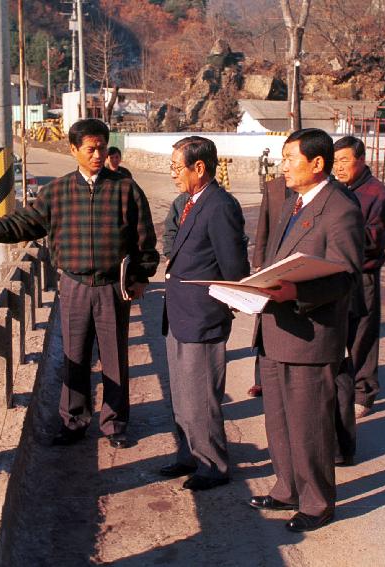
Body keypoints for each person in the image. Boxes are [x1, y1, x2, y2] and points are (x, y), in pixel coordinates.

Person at [0, 118, 159, 449]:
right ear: (74, 150)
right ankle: (74, 421)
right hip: (73, 285)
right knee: (74, 355)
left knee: (115, 357)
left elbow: (144, 237)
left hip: (112, 287)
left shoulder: (126, 189)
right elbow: (23, 224)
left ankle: (115, 424)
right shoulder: (57, 191)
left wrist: (142, 276)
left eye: (102, 147)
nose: (97, 154)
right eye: (90, 148)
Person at [248, 128, 363, 532]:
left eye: (290, 159)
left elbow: (346, 278)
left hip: (311, 334)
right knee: (278, 420)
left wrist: (295, 290)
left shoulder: (340, 208)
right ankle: (287, 488)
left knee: (308, 423)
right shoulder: (292, 202)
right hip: (277, 327)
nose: (284, 167)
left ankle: (317, 502)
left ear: (317, 163)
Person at [160, 136, 250, 491]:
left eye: (176, 167)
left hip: (202, 315)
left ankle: (213, 464)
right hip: (179, 313)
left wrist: (224, 306)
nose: (172, 175)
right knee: (182, 396)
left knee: (201, 397)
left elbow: (233, 266)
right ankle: (189, 455)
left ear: (200, 167)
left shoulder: (220, 205)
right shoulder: (189, 202)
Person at [333, 136, 385, 421]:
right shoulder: (336, 190)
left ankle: (363, 392)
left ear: (361, 159)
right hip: (336, 272)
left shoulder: (377, 194)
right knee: (338, 333)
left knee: (363, 335)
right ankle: (340, 386)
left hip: (363, 274)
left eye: (344, 161)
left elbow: (375, 239)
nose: (339, 167)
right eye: (335, 162)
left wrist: (340, 238)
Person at [248, 175, 292, 397]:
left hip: (297, 268)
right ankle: (261, 379)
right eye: (284, 158)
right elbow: (263, 226)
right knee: (264, 323)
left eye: (290, 158)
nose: (285, 164)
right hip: (271, 264)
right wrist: (258, 262)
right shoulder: (274, 187)